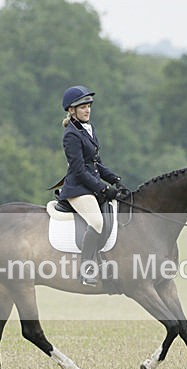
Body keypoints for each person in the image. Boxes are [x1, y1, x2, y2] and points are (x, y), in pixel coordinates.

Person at [55, 85, 122, 286]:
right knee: (97, 222)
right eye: (82, 107)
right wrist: (102, 189)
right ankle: (86, 270)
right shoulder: (71, 135)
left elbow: (95, 164)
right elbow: (78, 170)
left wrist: (115, 180)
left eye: (89, 106)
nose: (87, 110)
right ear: (71, 110)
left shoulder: (89, 130)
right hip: (77, 189)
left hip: (89, 185)